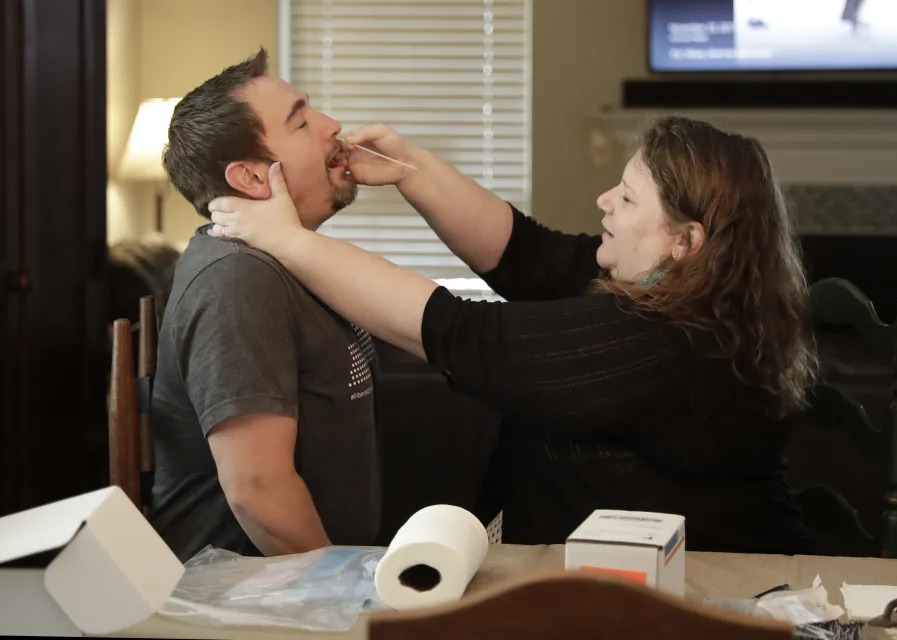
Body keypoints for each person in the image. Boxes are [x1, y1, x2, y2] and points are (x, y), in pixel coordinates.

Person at [209, 116, 819, 554]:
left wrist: (289, 240)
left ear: (685, 243)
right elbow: (527, 255)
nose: (604, 200)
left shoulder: (672, 337)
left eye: (628, 199)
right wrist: (408, 167)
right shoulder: (680, 283)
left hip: (706, 593)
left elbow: (464, 334)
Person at [149, 48, 381, 561]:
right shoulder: (237, 280)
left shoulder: (285, 259)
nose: (332, 126)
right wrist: (341, 601)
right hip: (251, 602)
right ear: (252, 178)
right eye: (301, 123)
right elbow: (258, 491)